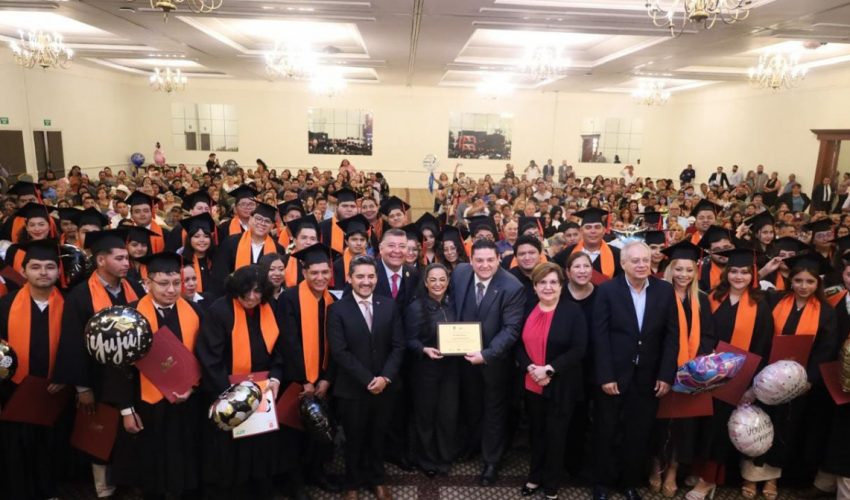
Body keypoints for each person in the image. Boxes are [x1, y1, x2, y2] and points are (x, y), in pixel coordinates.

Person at [108, 252, 204, 500]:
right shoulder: (128, 317)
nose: (171, 290)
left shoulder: (197, 313)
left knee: (186, 458)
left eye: (176, 283)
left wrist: (194, 387)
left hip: (186, 401)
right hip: (146, 403)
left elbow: (207, 357)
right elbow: (117, 367)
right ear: (147, 282)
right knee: (151, 464)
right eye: (163, 283)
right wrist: (126, 410)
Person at [53, 228, 141, 498]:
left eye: (127, 258)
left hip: (130, 376)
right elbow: (72, 344)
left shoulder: (134, 289)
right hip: (96, 375)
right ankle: (103, 487)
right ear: (101, 260)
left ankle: (129, 479)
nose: (127, 263)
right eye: (120, 258)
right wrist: (82, 388)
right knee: (100, 433)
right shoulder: (81, 295)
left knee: (128, 432)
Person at [743, 253, 838, 500]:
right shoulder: (775, 300)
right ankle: (751, 477)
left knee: (785, 428)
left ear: (818, 284)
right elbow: (749, 293)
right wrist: (765, 270)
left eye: (809, 281)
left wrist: (808, 381)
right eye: (798, 281)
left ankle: (772, 478)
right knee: (757, 426)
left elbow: (826, 351)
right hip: (765, 377)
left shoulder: (826, 312)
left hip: (798, 384)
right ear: (790, 280)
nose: (803, 286)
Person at [591, 240, 679, 500]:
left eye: (646, 260)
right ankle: (602, 483)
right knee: (606, 431)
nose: (642, 265)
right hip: (614, 376)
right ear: (623, 264)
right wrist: (605, 375)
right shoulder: (607, 291)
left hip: (649, 377)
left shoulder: (664, 291)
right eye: (636, 261)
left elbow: (671, 336)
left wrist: (665, 374)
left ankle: (629, 483)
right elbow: (600, 335)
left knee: (638, 433)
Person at [689, 247, 774, 499]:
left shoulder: (760, 305)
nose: (739, 277)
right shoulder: (713, 297)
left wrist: (749, 385)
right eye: (734, 271)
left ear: (753, 275)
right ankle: (697, 469)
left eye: (745, 272)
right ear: (727, 273)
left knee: (717, 429)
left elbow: (762, 347)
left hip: (736, 378)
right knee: (700, 425)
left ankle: (708, 480)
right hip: (706, 374)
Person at [195, 265, 284, 500]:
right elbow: (210, 357)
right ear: (236, 289)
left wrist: (275, 376)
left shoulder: (268, 307)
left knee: (261, 449)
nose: (252, 297)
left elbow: (278, 349)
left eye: (258, 291)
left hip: (263, 393)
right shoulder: (219, 311)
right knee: (231, 453)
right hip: (229, 396)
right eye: (247, 291)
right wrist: (234, 394)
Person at [327, 255, 405, 500]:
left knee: (378, 435)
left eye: (371, 276)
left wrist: (385, 378)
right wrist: (367, 379)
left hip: (385, 387)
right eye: (360, 276)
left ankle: (377, 479)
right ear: (349, 278)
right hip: (353, 388)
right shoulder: (337, 309)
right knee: (354, 437)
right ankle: (352, 483)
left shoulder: (389, 305)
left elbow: (398, 345)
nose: (366, 281)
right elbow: (339, 351)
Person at [450, 238, 525, 486]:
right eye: (479, 260)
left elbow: (512, 330)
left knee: (494, 410)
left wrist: (487, 354)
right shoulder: (460, 273)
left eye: (489, 260)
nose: (484, 265)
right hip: (462, 357)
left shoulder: (512, 287)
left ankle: (492, 460)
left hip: (494, 362)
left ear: (499, 259)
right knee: (471, 404)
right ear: (470, 260)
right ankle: (472, 444)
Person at [0, 240, 68, 500]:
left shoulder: (70, 305)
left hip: (56, 389)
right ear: (24, 271)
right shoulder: (4, 306)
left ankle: (50, 491)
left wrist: (65, 377)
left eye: (50, 267)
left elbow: (74, 347)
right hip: (14, 390)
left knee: (51, 446)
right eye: (36, 267)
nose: (43, 272)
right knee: (17, 447)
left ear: (58, 272)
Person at [649, 241, 716, 498]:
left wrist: (694, 363)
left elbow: (709, 335)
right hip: (660, 369)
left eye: (689, 270)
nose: (683, 275)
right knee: (658, 422)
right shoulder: (658, 293)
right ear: (670, 268)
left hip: (691, 373)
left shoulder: (701, 299)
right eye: (678, 269)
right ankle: (655, 465)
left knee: (683, 427)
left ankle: (673, 470)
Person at [517, 262, 587, 500]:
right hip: (532, 382)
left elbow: (579, 348)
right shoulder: (527, 308)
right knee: (536, 433)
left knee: (556, 435)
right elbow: (518, 344)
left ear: (561, 285)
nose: (548, 287)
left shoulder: (573, 311)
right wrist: (531, 368)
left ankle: (551, 483)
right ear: (535, 286)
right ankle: (534, 477)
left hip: (561, 384)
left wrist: (549, 369)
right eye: (542, 282)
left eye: (553, 282)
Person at [278, 243, 338, 497]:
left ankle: (317, 473)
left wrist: (326, 379)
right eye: (314, 272)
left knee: (319, 430)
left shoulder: (332, 300)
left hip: (323, 378)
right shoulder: (289, 298)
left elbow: (336, 344)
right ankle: (295, 484)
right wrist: (304, 380)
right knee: (293, 433)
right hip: (296, 380)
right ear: (304, 272)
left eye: (325, 272)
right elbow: (288, 343)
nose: (320, 277)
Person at [403, 263, 459, 477]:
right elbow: (408, 340)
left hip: (451, 370)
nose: (438, 284)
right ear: (425, 282)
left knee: (448, 414)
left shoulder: (453, 304)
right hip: (425, 370)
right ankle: (425, 458)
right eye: (433, 280)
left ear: (448, 281)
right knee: (425, 416)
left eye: (442, 279)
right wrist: (424, 349)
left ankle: (445, 456)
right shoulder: (415, 307)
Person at [211, 201, 285, 295]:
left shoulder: (278, 249)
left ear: (272, 226)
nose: (262, 223)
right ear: (250, 219)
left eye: (267, 221)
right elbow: (220, 275)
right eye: (258, 219)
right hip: (233, 297)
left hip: (265, 300)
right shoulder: (230, 243)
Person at [553, 208, 622, 282]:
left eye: (597, 227)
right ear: (581, 231)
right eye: (588, 227)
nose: (593, 231)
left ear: (604, 231)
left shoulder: (617, 255)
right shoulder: (567, 253)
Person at [333, 214, 371, 288]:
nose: (359, 243)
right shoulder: (337, 265)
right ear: (346, 242)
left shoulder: (373, 263)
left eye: (362, 240)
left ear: (366, 243)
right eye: (354, 239)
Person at [319, 188, 360, 254]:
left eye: (353, 206)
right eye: (344, 206)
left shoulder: (362, 227)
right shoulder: (322, 227)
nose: (349, 209)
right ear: (337, 207)